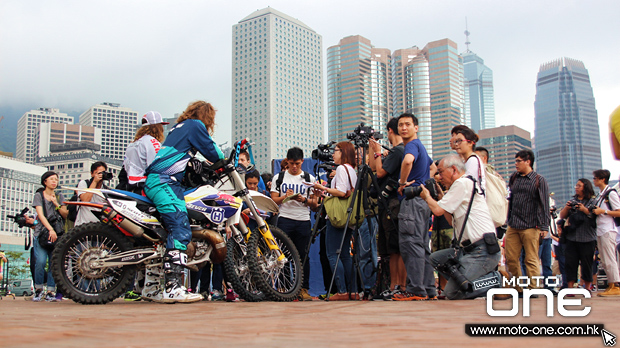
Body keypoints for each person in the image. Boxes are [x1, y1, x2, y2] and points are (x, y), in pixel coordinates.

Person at [145, 100, 224, 303]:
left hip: (162, 181)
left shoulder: (177, 128)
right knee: (180, 229)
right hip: (164, 182)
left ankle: (151, 288)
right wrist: (222, 162)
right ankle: (173, 288)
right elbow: (216, 153)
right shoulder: (195, 125)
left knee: (162, 235)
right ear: (207, 117)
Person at [422, 155, 502, 300]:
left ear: (453, 169)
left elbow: (437, 211)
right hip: (467, 251)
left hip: (482, 251)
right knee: (436, 258)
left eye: (440, 172)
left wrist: (426, 196)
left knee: (452, 293)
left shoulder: (462, 183)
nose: (439, 177)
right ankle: (467, 283)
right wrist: (441, 198)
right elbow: (451, 221)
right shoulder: (462, 186)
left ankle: (494, 281)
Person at [394, 113, 436, 301]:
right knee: (421, 246)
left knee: (411, 244)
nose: (403, 128)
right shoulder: (422, 147)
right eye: (401, 125)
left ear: (416, 128)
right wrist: (423, 183)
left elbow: (408, 161)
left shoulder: (411, 145)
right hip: (423, 202)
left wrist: (402, 183)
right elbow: (433, 168)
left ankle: (416, 290)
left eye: (408, 124)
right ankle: (428, 289)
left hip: (412, 201)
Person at [312, 142, 358, 301]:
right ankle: (353, 290)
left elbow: (341, 192)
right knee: (345, 255)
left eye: (336, 151)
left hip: (338, 215)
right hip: (348, 216)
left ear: (343, 152)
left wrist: (322, 188)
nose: (333, 154)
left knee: (333, 254)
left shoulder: (341, 168)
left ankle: (342, 290)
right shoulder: (352, 170)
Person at [271, 147, 318, 301]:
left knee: (303, 256)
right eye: (291, 163)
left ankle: (303, 289)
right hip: (285, 219)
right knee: (283, 255)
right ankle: (284, 287)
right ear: (287, 161)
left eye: (297, 163)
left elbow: (315, 204)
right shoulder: (279, 177)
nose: (294, 167)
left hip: (303, 220)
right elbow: (273, 200)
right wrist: (285, 197)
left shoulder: (309, 178)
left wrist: (304, 200)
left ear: (302, 161)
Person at [369, 117, 406, 300]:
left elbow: (380, 172)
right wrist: (373, 150)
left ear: (390, 131)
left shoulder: (398, 151)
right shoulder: (398, 152)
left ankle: (397, 285)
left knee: (395, 248)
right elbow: (372, 168)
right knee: (389, 248)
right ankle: (394, 285)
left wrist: (377, 152)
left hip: (392, 204)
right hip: (388, 204)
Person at [505, 150, 550, 293]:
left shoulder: (539, 180)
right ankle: (518, 288)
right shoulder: (514, 178)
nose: (516, 164)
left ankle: (533, 289)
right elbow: (510, 199)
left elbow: (545, 204)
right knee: (511, 258)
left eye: (519, 161)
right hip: (513, 224)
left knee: (531, 259)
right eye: (515, 161)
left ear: (528, 161)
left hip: (531, 225)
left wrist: (544, 226)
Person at [32, 171, 68, 301]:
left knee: (54, 263)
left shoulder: (59, 196)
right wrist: (50, 229)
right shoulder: (38, 195)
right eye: (51, 179)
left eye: (56, 179)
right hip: (42, 233)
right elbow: (40, 215)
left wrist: (56, 204)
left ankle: (50, 291)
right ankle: (38, 289)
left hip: (57, 235)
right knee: (40, 262)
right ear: (45, 181)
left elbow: (65, 214)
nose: (54, 181)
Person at [559, 178, 597, 292]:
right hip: (572, 237)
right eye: (576, 185)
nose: (576, 187)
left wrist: (584, 209)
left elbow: (594, 217)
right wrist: (567, 207)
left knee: (587, 264)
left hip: (587, 237)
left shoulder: (592, 201)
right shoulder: (572, 200)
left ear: (585, 187)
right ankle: (570, 288)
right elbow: (562, 216)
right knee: (570, 264)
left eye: (579, 186)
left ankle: (587, 288)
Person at [121, 111, 168, 193]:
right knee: (170, 204)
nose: (162, 129)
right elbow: (157, 168)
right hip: (145, 187)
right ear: (156, 127)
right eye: (161, 125)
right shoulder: (153, 142)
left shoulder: (132, 144)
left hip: (130, 186)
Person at [591, 169, 620, 296]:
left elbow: (618, 211)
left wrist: (604, 212)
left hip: (609, 229)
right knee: (604, 259)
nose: (594, 181)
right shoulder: (601, 194)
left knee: (610, 258)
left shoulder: (611, 193)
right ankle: (611, 284)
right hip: (601, 230)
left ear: (602, 179)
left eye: (595, 178)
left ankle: (615, 284)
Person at [451, 125, 485, 190]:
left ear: (470, 143)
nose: (456, 144)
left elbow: (467, 186)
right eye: (456, 141)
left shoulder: (472, 160)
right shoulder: (469, 160)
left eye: (460, 141)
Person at [76, 161, 110, 226]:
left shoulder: (106, 190)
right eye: (98, 173)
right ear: (91, 174)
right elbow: (85, 200)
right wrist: (94, 182)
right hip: (83, 226)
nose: (101, 175)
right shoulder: (84, 183)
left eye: (103, 173)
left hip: (99, 227)